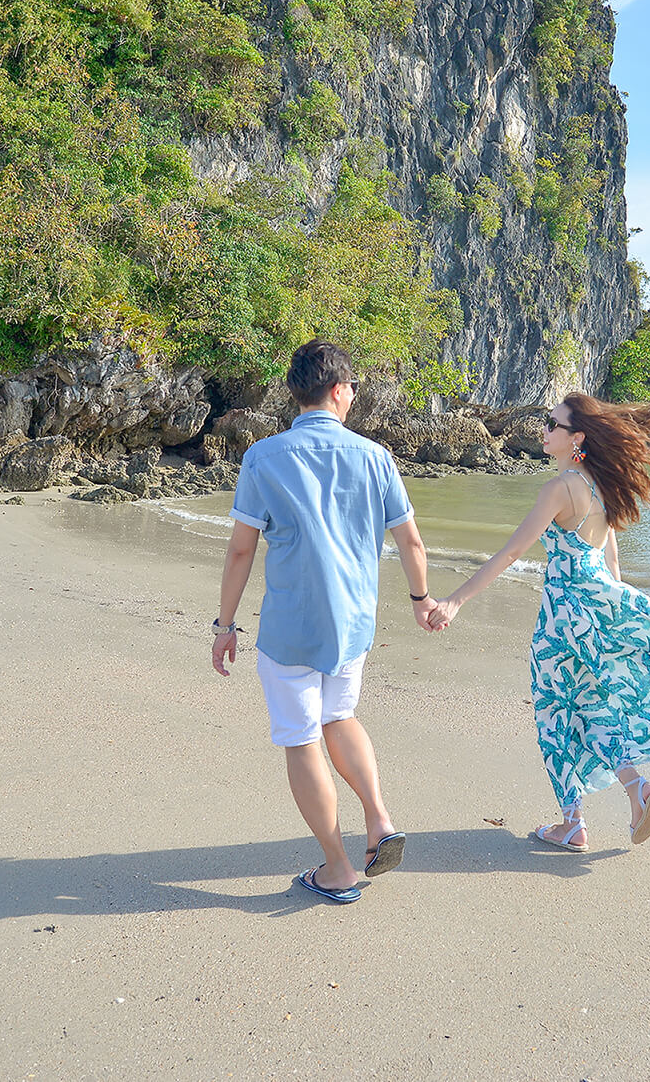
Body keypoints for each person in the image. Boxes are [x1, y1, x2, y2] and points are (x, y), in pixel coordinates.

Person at [426, 392, 650, 852]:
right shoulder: (601, 486)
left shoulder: (560, 488)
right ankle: (635, 791)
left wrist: (456, 601)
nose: (544, 430)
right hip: (599, 607)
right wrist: (615, 616)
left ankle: (573, 821)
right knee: (590, 709)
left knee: (554, 711)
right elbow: (612, 558)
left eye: (553, 424)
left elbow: (511, 552)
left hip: (563, 616)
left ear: (576, 438)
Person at [212, 340, 441, 904]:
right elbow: (410, 540)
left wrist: (224, 625)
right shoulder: (375, 456)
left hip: (291, 624)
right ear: (338, 389)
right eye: (354, 387)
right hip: (353, 623)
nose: (356, 395)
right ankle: (380, 819)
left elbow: (241, 551)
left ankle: (338, 868)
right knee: (341, 715)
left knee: (301, 739)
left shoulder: (264, 456)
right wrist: (420, 599)